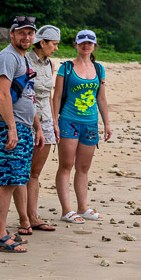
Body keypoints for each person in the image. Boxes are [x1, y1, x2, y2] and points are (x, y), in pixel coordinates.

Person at [0, 16, 45, 253]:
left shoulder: (23, 59)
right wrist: (12, 127)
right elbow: (1, 95)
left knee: (15, 179)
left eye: (30, 33)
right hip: (8, 128)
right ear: (12, 34)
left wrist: (37, 127)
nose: (26, 37)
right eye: (21, 32)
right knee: (6, 181)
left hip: (23, 126)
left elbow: (26, 96)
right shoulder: (7, 57)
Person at [53, 29, 112, 223]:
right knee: (66, 165)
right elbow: (57, 96)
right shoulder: (66, 68)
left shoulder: (99, 69)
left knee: (84, 167)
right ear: (76, 45)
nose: (85, 45)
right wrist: (55, 121)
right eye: (82, 42)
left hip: (90, 123)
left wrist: (107, 123)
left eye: (89, 43)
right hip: (69, 120)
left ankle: (83, 207)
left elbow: (101, 98)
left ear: (94, 46)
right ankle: (66, 209)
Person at [17, 25, 61, 234]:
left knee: (35, 172)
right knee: (22, 171)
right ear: (42, 43)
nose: (56, 49)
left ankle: (33, 216)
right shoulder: (24, 61)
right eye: (54, 44)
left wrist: (54, 122)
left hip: (46, 119)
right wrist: (37, 126)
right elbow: (27, 96)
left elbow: (49, 95)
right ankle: (24, 218)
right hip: (26, 119)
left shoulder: (49, 63)